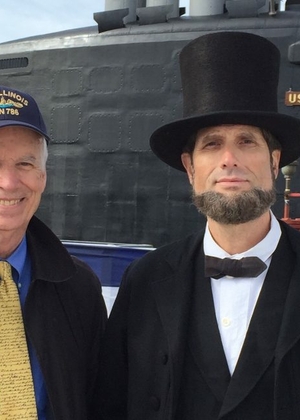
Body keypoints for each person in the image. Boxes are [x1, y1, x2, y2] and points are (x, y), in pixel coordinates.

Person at [98, 32, 300, 420]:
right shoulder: (144, 282)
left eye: (246, 141)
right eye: (211, 144)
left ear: (274, 162)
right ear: (191, 168)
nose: (229, 159)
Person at [0, 86, 107, 419]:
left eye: (25, 163)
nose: (8, 181)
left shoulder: (78, 290)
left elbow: (98, 401)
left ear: (43, 177)